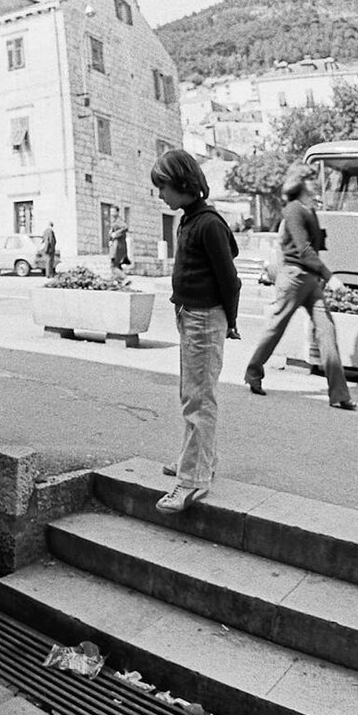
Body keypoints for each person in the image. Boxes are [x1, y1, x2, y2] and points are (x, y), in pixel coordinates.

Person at [150, 149, 241, 514]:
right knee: (193, 395)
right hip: (191, 315)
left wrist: (231, 321)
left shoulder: (208, 223)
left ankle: (192, 481)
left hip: (204, 318)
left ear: (183, 184)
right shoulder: (189, 219)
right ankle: (199, 461)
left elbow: (230, 279)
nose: (160, 195)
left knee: (199, 400)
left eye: (163, 187)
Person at [244, 166, 355, 410]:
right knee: (276, 328)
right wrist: (330, 276)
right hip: (294, 278)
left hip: (311, 281)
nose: (318, 184)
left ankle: (339, 393)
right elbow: (304, 250)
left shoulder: (309, 210)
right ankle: (253, 372)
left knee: (327, 331)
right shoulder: (294, 210)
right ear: (302, 183)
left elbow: (315, 246)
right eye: (313, 180)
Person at [109, 210, 131, 281]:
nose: (111, 213)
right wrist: (110, 240)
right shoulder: (114, 221)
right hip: (115, 246)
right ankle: (118, 282)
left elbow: (125, 227)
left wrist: (116, 234)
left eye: (113, 212)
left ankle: (125, 278)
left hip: (118, 246)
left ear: (117, 212)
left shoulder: (119, 221)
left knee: (113, 266)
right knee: (118, 266)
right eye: (111, 212)